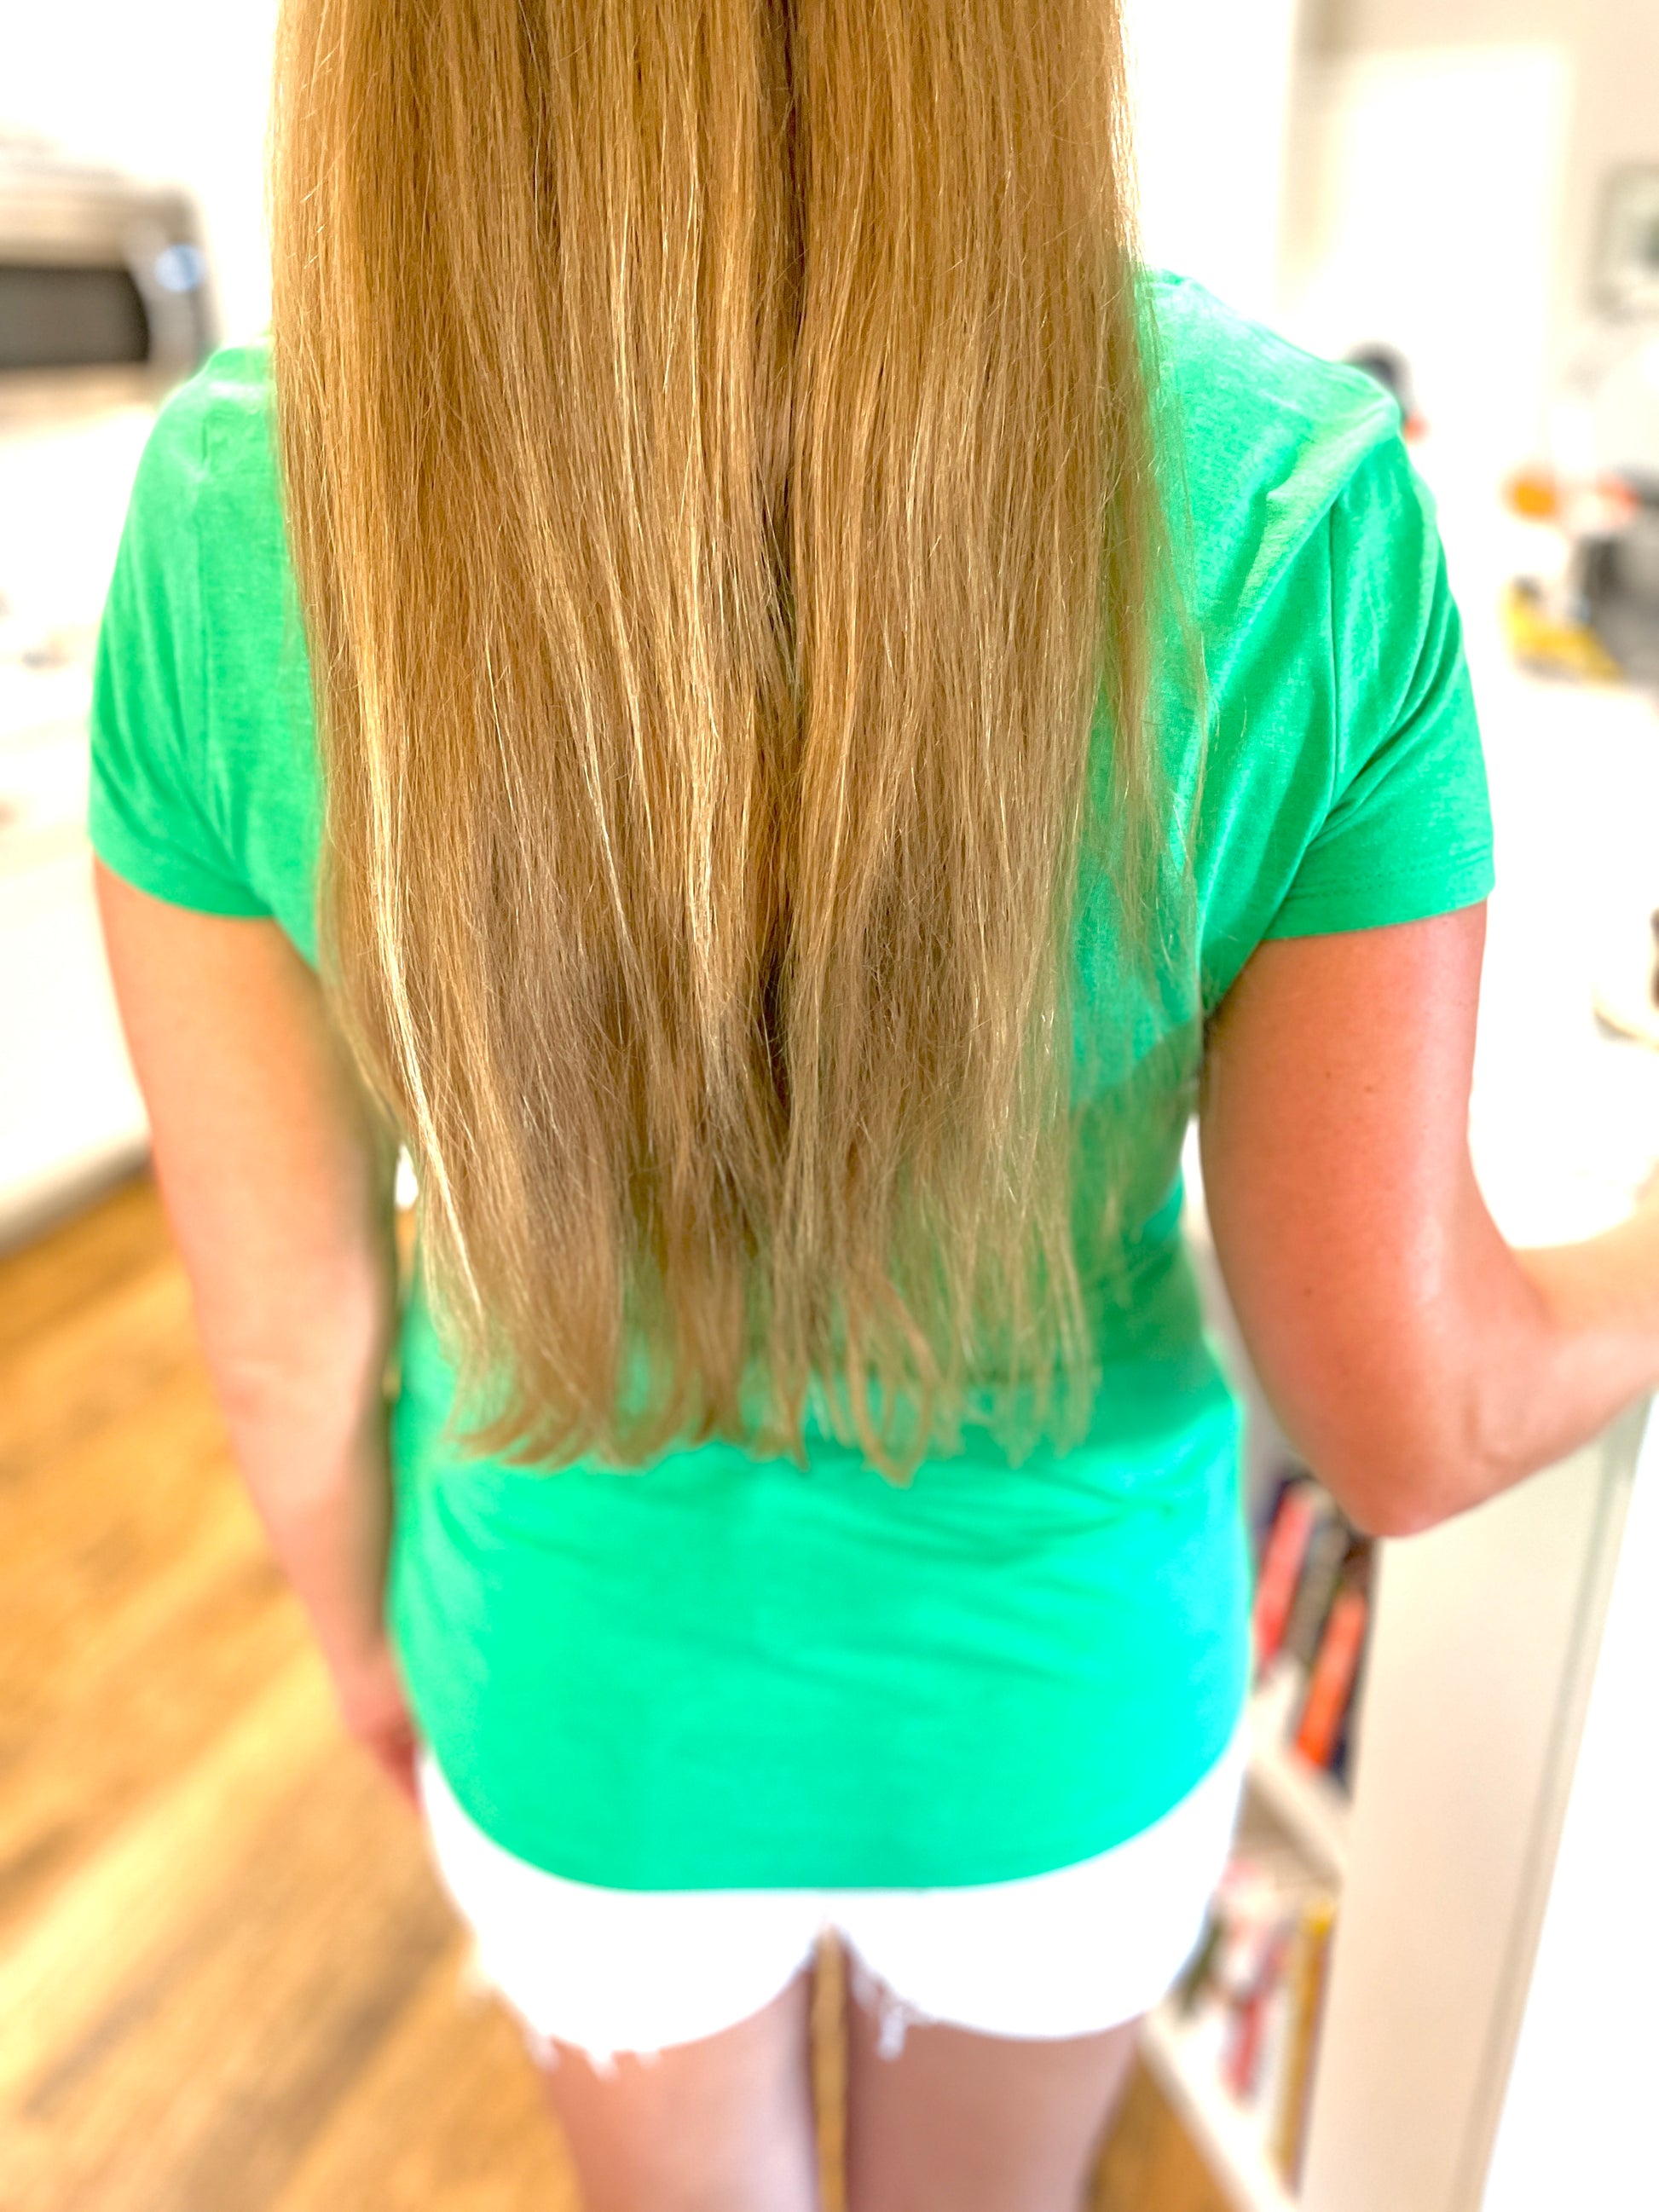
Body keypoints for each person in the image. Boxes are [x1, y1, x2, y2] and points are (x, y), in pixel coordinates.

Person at [85, 3, 1659, 2208]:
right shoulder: (1288, 501)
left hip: (570, 1689)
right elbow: (1411, 1409)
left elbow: (286, 1328)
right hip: (1051, 1708)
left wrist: (369, 1649)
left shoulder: (226, 507)